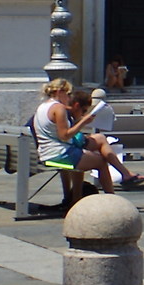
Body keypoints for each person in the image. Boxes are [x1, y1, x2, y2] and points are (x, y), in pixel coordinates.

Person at [29, 79, 126, 211]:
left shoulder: (43, 106)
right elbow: (65, 135)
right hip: (58, 154)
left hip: (48, 152)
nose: (69, 98)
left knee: (87, 157)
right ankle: (113, 202)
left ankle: (76, 200)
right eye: (68, 94)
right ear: (59, 91)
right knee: (101, 162)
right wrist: (84, 122)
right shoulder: (59, 108)